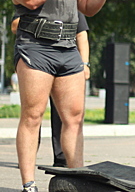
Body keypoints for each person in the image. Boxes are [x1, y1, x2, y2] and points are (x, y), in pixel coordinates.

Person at [4, 0, 126, 192]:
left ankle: (77, 179)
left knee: (74, 118)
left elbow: (89, 6)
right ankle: (29, 184)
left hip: (68, 49)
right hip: (36, 48)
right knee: (32, 116)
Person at [11, 12, 90, 168]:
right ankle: (28, 161)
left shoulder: (71, 3)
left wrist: (85, 64)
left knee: (66, 115)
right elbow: (15, 25)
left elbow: (82, 35)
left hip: (65, 60)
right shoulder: (34, 1)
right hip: (36, 57)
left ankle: (62, 158)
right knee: (33, 114)